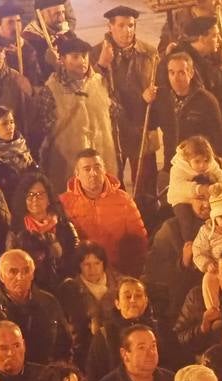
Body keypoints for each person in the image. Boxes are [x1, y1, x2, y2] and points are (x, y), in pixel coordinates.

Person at [92, 6, 160, 195]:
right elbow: (90, 90)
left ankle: (148, 220)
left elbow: (161, 87)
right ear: (110, 27)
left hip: (142, 130)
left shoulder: (150, 54)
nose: (127, 31)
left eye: (131, 25)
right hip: (113, 132)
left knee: (146, 185)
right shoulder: (96, 53)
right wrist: (101, 65)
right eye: (121, 25)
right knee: (113, 186)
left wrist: (150, 98)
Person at [41, 36, 119, 193]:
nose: (82, 61)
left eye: (85, 56)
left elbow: (113, 116)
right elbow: (45, 129)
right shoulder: (51, 89)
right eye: (75, 57)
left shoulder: (100, 81)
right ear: (62, 59)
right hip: (68, 163)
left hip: (101, 158)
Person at [0, 249, 72, 365]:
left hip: (43, 375)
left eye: (26, 271)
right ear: (1, 276)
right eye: (13, 272)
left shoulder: (48, 302)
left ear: (32, 274)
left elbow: (65, 344)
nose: (20, 277)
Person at [59, 149, 148, 277]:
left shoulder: (123, 199)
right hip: (80, 274)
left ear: (104, 170)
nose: (93, 173)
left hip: (117, 272)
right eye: (87, 169)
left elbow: (139, 240)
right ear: (77, 174)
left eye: (97, 167)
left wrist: (130, 274)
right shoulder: (64, 203)